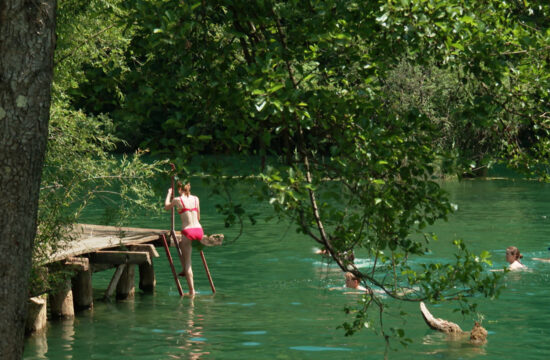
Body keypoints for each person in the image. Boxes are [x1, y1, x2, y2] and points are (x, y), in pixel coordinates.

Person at [165, 181, 203, 296]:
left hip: (188, 231)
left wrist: (168, 193)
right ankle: (184, 269)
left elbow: (166, 207)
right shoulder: (196, 198)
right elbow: (199, 216)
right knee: (182, 245)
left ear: (179, 189)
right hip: (199, 230)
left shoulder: (177, 200)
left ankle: (192, 291)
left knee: (188, 263)